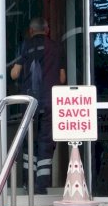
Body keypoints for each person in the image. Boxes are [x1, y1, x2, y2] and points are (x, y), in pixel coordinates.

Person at [10, 17, 66, 195]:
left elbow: (15, 73)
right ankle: (42, 185)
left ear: (31, 30)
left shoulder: (25, 46)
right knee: (46, 142)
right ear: (47, 30)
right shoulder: (56, 47)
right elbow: (62, 78)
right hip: (50, 101)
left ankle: (29, 183)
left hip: (29, 102)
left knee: (29, 143)